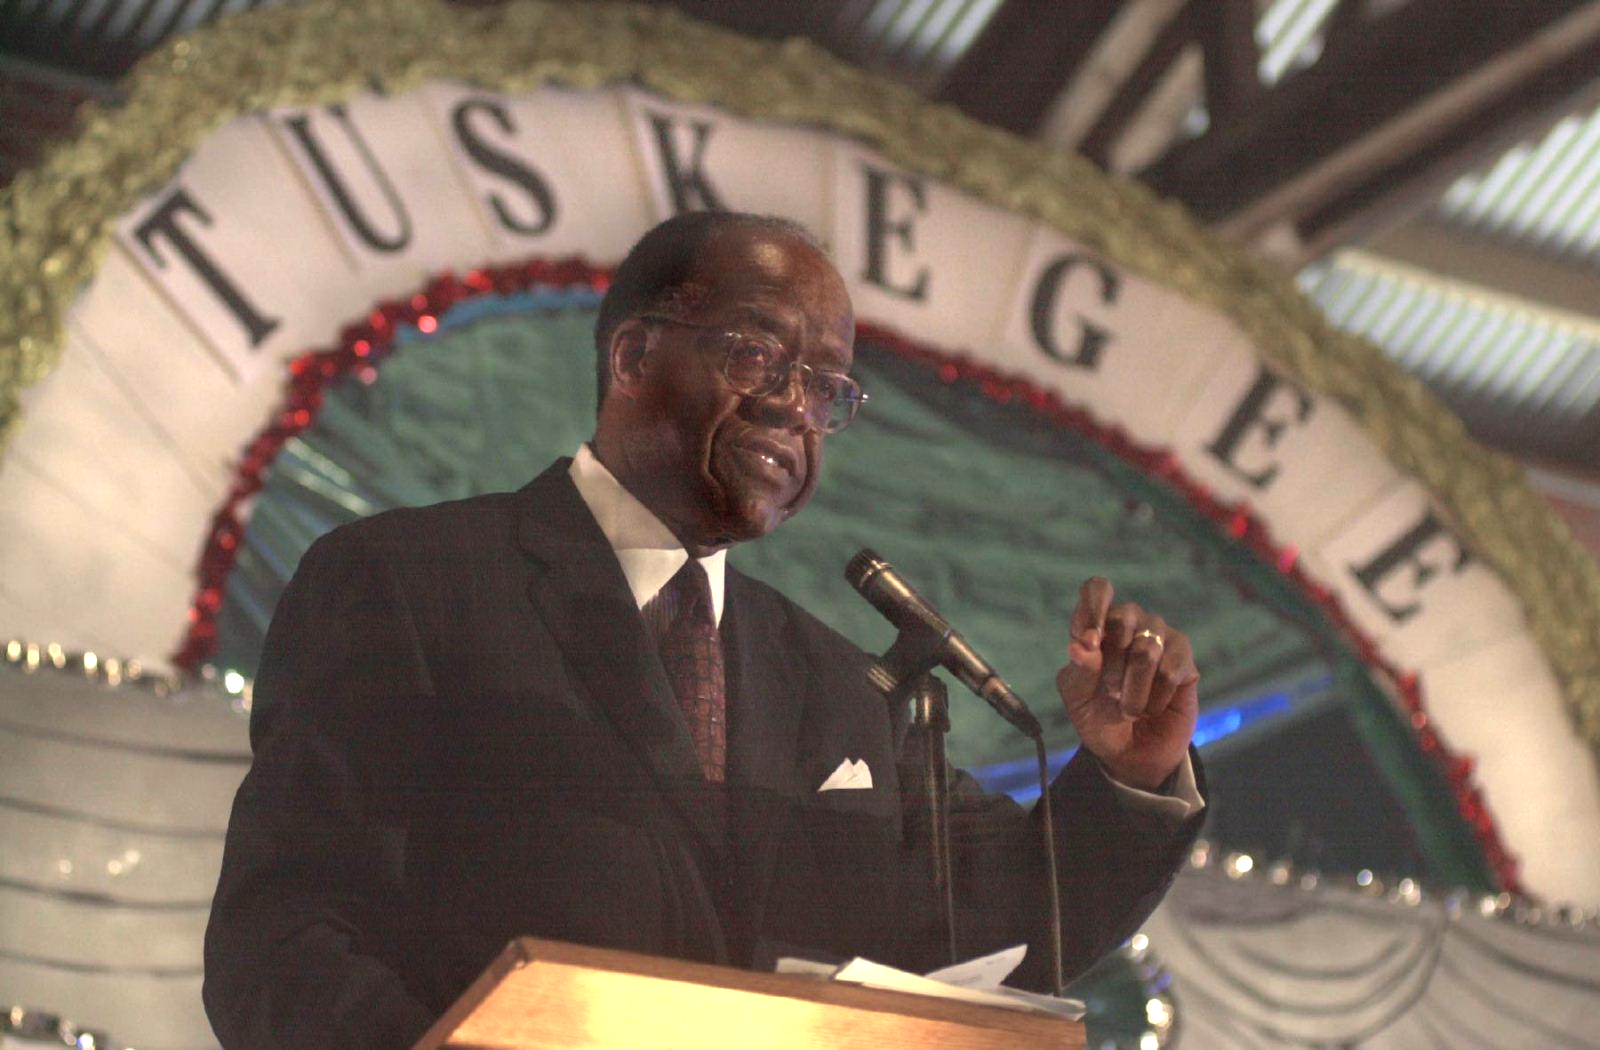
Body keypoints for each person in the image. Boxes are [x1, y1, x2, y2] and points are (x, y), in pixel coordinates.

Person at [203, 212, 1205, 1048]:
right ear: (634, 354)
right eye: (757, 355)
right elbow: (284, 938)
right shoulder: (413, 583)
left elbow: (1003, 919)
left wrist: (1130, 773)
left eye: (827, 388)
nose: (794, 410)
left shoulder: (839, 687)